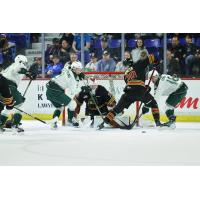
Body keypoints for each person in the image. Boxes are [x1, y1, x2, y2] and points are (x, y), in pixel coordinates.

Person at [99, 51, 162, 129]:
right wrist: (157, 62)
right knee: (153, 104)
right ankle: (158, 123)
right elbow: (153, 56)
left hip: (128, 92)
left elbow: (132, 83)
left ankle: (104, 122)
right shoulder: (140, 63)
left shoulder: (126, 73)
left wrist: (144, 86)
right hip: (140, 91)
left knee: (116, 109)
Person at [0, 55, 36, 132]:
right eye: (24, 62)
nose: (25, 64)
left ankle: (1, 124)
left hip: (3, 86)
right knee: (19, 105)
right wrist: (28, 72)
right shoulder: (18, 65)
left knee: (9, 105)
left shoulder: (10, 66)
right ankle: (15, 125)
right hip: (9, 86)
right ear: (21, 61)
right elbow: (17, 70)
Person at [46, 61, 84, 129]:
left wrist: (78, 76)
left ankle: (54, 123)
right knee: (73, 104)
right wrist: (82, 88)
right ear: (74, 69)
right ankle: (71, 120)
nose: (81, 70)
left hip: (49, 90)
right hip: (56, 91)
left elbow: (67, 66)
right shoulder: (72, 79)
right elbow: (74, 91)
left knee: (60, 107)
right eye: (79, 69)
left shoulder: (67, 68)